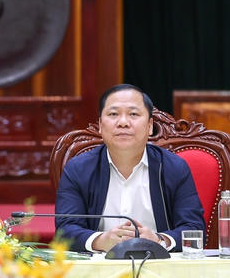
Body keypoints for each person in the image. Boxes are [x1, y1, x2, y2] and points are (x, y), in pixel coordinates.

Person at [55, 84, 205, 253]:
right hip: (100, 265)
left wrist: (158, 240)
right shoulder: (77, 169)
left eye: (133, 114)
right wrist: (100, 240)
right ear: (100, 125)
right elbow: (65, 231)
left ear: (150, 126)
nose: (123, 123)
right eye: (113, 114)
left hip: (158, 264)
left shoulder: (174, 168)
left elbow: (194, 229)